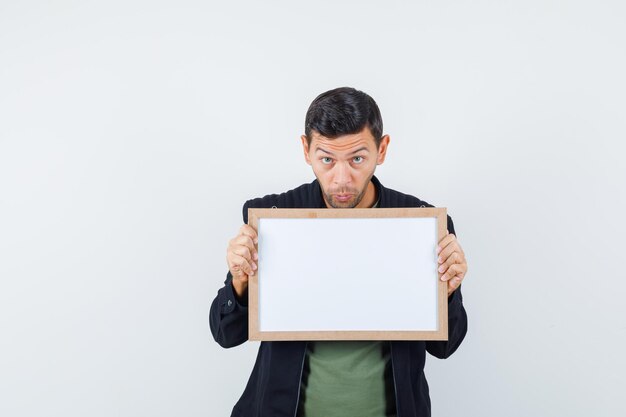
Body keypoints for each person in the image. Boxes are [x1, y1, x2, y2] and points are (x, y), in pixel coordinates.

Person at [209, 87, 468, 417]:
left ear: (382, 149)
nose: (341, 180)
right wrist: (239, 280)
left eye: (357, 158)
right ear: (306, 150)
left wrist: (449, 291)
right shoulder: (273, 217)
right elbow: (225, 333)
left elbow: (445, 346)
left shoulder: (425, 225)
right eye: (327, 160)